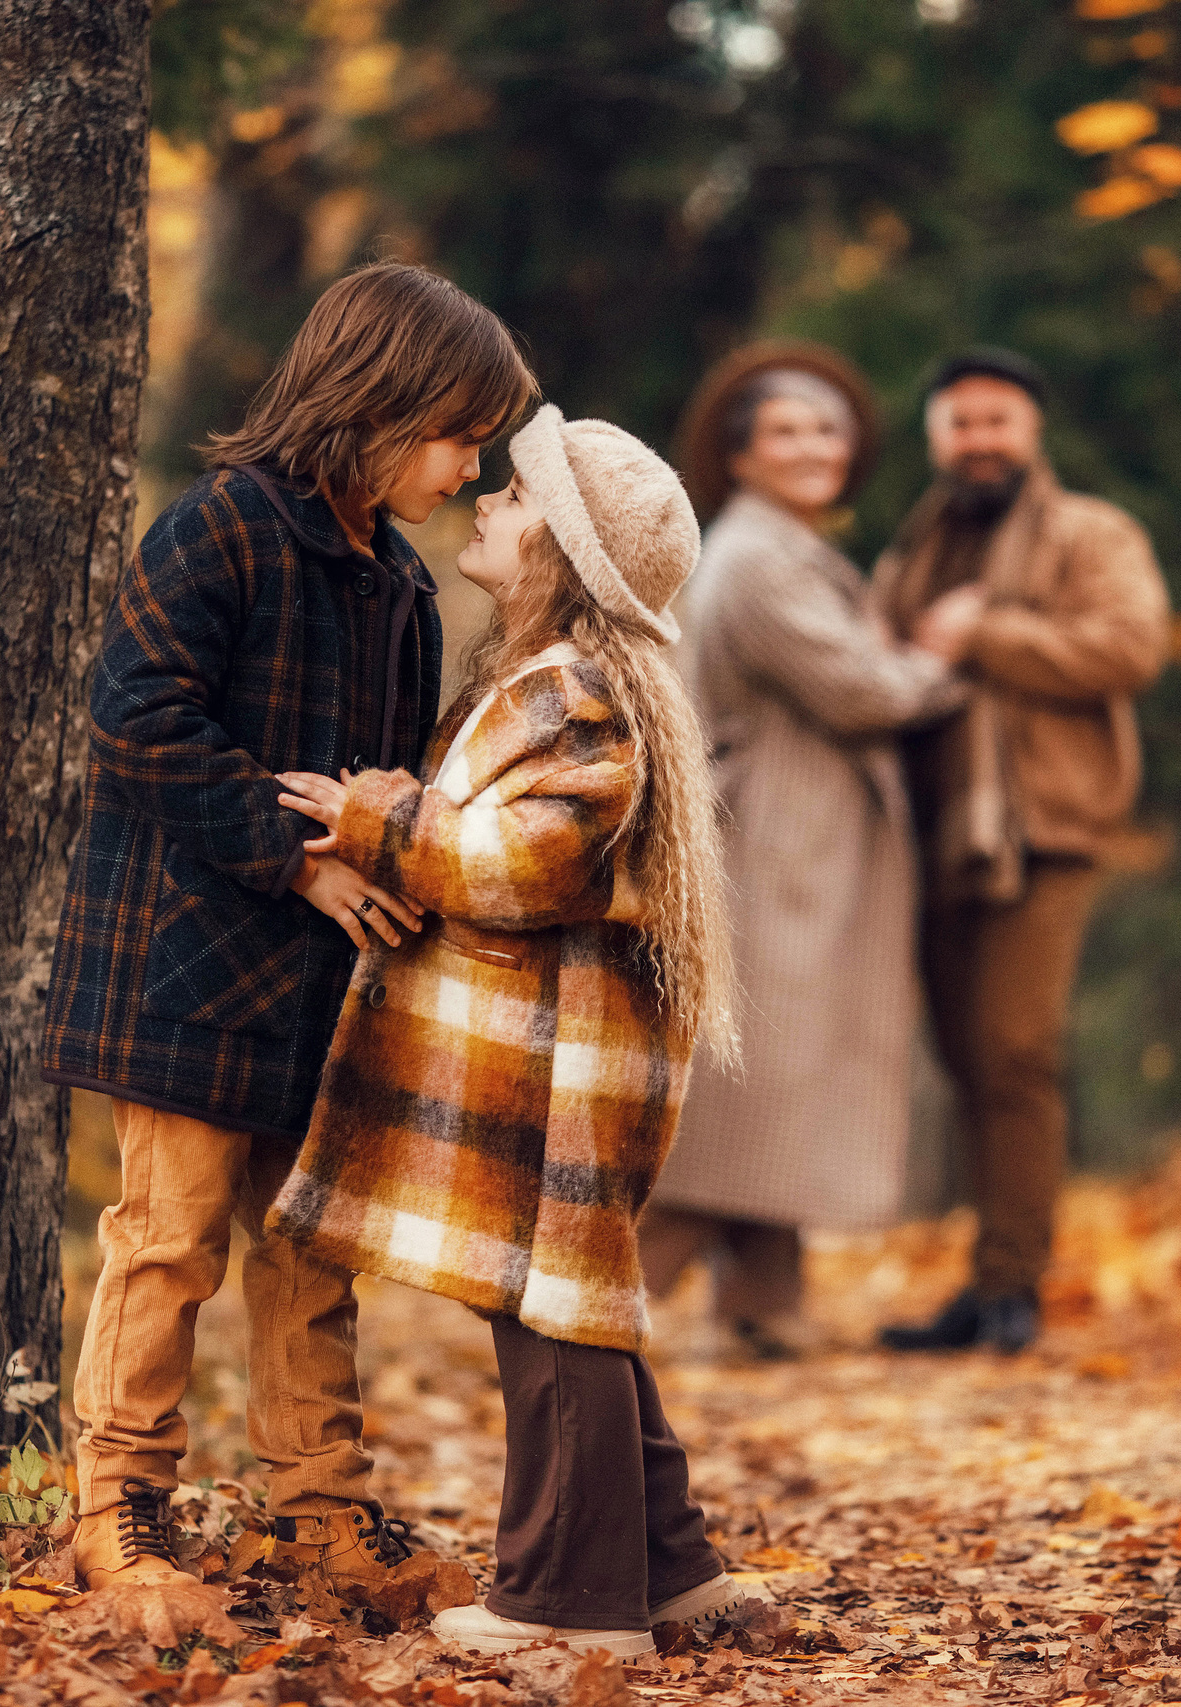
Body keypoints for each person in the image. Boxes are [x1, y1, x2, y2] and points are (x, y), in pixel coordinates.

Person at [38, 264, 536, 1592]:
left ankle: (317, 1513)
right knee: (169, 1238)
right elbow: (136, 719)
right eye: (458, 435)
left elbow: (380, 783)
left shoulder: (401, 585)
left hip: (324, 983)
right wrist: (295, 857)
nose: (470, 467)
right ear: (380, 403)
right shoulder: (222, 528)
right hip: (188, 963)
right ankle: (118, 1509)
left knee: (312, 1250)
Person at [267, 405, 764, 1657]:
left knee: (554, 1318)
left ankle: (568, 1605)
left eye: (521, 495)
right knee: (558, 1302)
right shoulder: (555, 681)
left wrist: (382, 820)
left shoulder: (576, 693)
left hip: (555, 1061)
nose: (488, 499)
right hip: (541, 1049)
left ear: (564, 549)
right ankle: (670, 1568)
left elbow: (526, 863)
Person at [640, 342, 979, 1359]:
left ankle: (763, 1304)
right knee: (748, 1087)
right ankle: (591, 1309)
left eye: (828, 429)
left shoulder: (780, 547)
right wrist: (937, 659)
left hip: (800, 846)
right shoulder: (755, 558)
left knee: (778, 1079)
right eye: (785, 431)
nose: (814, 447)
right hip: (776, 850)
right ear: (739, 456)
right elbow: (858, 689)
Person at [871, 348, 1171, 1357]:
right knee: (966, 1060)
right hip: (936, 833)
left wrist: (986, 634)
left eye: (997, 421)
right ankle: (986, 1278)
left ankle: (1013, 1288)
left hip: (1044, 830)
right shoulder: (915, 550)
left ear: (1032, 431)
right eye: (962, 423)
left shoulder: (1091, 533)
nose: (980, 441)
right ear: (936, 437)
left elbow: (1131, 647)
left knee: (1015, 1051)